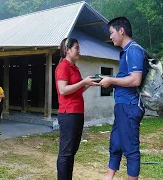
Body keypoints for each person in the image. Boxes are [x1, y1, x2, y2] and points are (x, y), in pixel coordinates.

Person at [100, 17, 147, 180]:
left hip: (129, 106)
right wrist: (110, 81)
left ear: (122, 30)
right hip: (122, 105)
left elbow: (135, 80)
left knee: (131, 150)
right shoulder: (126, 52)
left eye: (112, 32)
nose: (111, 37)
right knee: (115, 145)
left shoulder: (134, 50)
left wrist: (111, 80)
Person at [55, 38, 100, 180]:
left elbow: (77, 90)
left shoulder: (75, 67)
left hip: (78, 113)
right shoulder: (63, 66)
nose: (79, 50)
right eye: (76, 48)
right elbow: (63, 90)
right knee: (66, 152)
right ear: (67, 50)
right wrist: (83, 82)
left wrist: (89, 83)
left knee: (72, 151)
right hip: (68, 114)